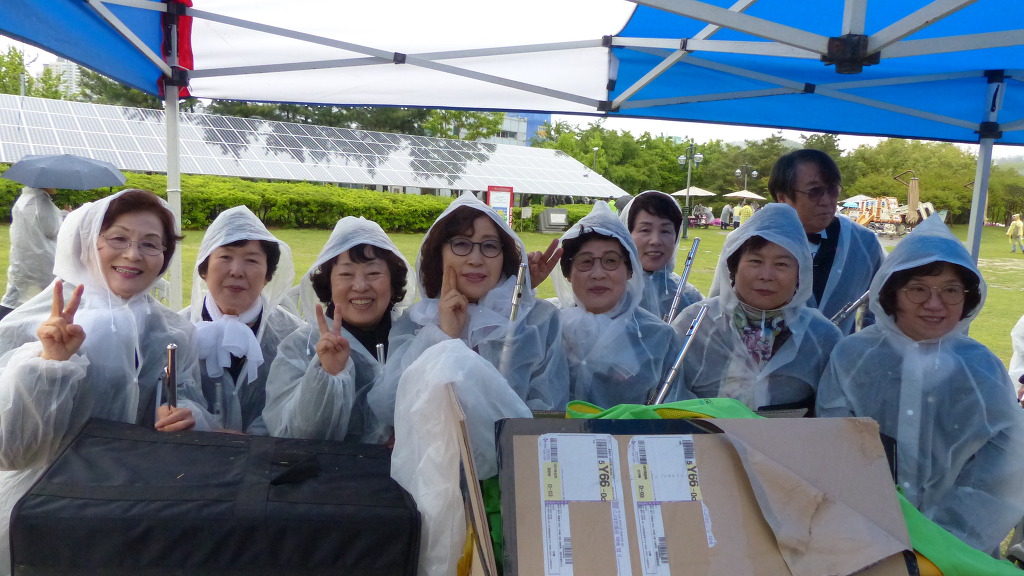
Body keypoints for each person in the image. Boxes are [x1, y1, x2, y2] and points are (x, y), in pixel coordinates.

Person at [0, 189, 202, 575]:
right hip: (42, 511)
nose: (133, 254)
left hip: (136, 512)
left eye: (150, 244)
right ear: (87, 243)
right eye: (118, 238)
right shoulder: (35, 324)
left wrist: (185, 416)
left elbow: (188, 399)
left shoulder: (173, 330)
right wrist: (49, 363)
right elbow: (12, 451)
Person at [816, 214, 1024, 554]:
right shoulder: (854, 358)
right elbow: (833, 447)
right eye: (918, 289)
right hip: (865, 540)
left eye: (951, 290)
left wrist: (945, 540)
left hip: (958, 550)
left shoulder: (981, 367)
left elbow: (1004, 463)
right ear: (891, 292)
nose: (934, 303)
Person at [367, 193, 569, 442]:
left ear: (504, 256)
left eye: (490, 246)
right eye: (461, 244)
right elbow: (389, 407)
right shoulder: (416, 322)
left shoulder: (537, 321)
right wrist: (442, 336)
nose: (476, 259)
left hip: (515, 459)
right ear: (439, 254)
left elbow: (549, 413)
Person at [670, 203, 842, 412]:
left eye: (781, 264)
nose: (766, 276)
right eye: (755, 261)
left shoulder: (821, 337)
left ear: (800, 274)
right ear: (733, 267)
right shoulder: (696, 324)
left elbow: (834, 412)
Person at [263, 216, 412, 442]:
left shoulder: (411, 340)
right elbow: (293, 436)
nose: (360, 286)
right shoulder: (300, 347)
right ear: (329, 284)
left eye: (374, 273)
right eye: (346, 274)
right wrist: (325, 375)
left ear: (393, 282)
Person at [551, 201, 681, 407]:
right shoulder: (548, 328)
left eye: (611, 261)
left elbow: (672, 407)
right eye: (585, 262)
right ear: (568, 273)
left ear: (629, 270)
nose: (598, 274)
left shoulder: (658, 337)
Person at [184, 206, 301, 434]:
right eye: (225, 257)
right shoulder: (177, 331)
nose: (236, 271)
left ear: (268, 275)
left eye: (251, 260)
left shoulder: (293, 336)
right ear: (204, 269)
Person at [768, 149, 884, 334]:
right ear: (783, 198)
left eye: (832, 190)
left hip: (841, 351)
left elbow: (881, 304)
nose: (827, 201)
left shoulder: (863, 243)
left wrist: (864, 344)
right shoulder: (752, 241)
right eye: (814, 192)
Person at [619, 190, 703, 321]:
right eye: (645, 230)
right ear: (627, 234)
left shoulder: (689, 297)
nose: (656, 241)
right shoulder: (609, 292)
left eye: (665, 231)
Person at [0, 187, 63, 320]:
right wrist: (64, 216)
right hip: (41, 261)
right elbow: (53, 230)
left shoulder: (23, 200)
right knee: (39, 302)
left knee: (15, 297)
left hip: (23, 258)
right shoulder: (42, 202)